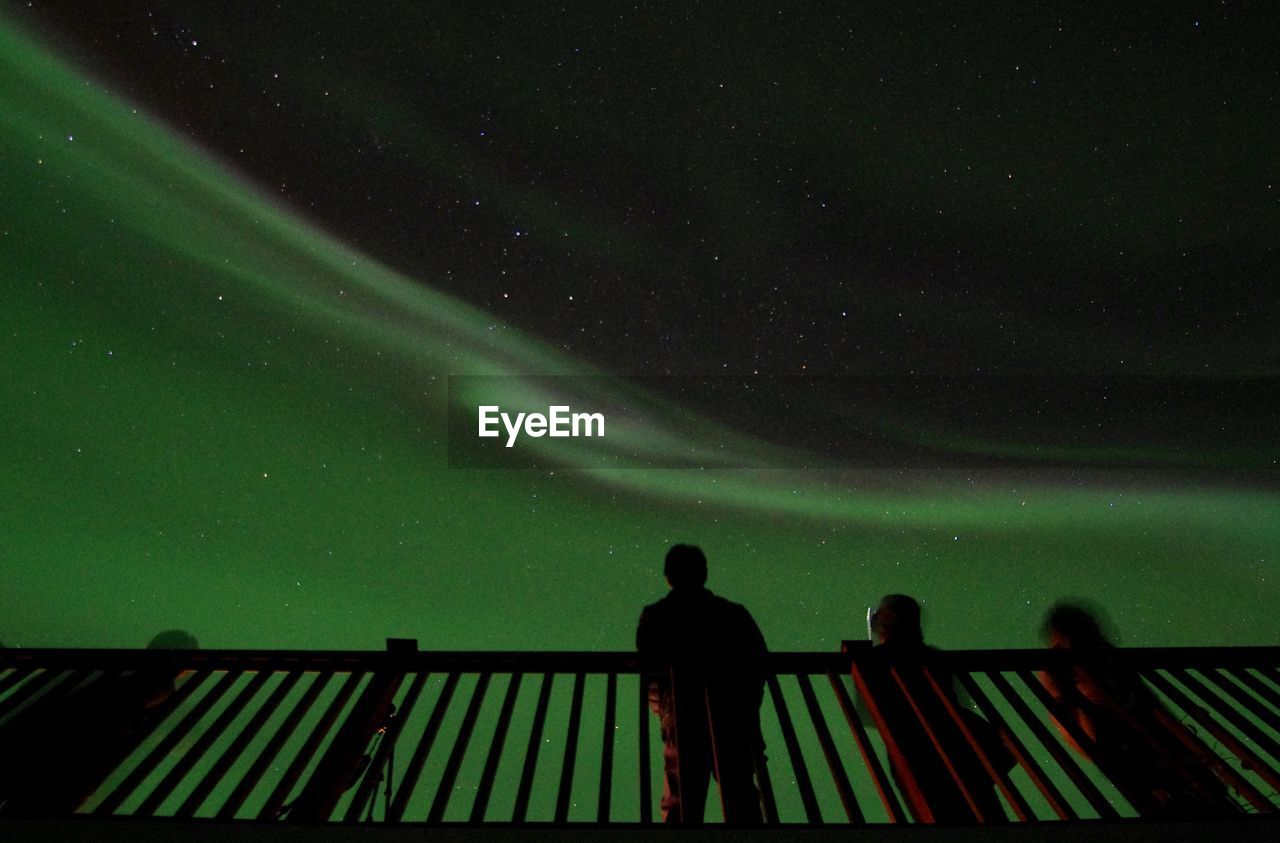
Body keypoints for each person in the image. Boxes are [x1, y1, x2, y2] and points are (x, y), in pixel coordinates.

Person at [1039, 602, 1239, 818]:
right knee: (1173, 802)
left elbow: (1148, 702)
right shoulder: (1060, 667)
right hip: (1118, 745)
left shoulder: (1107, 659)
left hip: (1146, 736)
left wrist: (1194, 748)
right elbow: (1071, 725)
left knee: (1203, 794)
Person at [636, 544, 768, 824]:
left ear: (668, 576)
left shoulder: (656, 615)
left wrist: (665, 712)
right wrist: (747, 708)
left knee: (680, 801)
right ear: (704, 574)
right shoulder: (733, 613)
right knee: (741, 796)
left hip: (681, 717)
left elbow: (650, 672)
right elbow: (757, 665)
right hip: (733, 716)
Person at [854, 594, 1006, 824]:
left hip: (914, 751)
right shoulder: (933, 657)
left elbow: (869, 715)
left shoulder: (875, 661)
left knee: (935, 813)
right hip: (962, 746)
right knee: (982, 809)